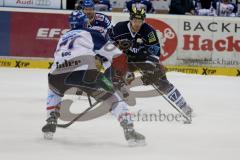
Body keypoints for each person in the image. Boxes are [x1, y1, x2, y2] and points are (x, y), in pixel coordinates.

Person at [41, 11, 145, 146]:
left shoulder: (64, 37)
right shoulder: (90, 33)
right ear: (85, 22)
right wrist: (124, 72)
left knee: (54, 89)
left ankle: (50, 121)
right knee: (113, 96)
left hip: (56, 75)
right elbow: (116, 55)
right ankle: (129, 129)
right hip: (84, 73)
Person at [109, 7, 193, 116]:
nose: (137, 24)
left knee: (162, 82)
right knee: (113, 78)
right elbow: (107, 42)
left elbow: (155, 52)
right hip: (125, 59)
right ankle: (118, 104)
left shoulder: (149, 32)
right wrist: (116, 45)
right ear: (130, 19)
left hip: (143, 60)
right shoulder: (119, 28)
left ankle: (183, 106)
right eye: (135, 20)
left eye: (140, 21)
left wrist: (150, 71)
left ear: (144, 20)